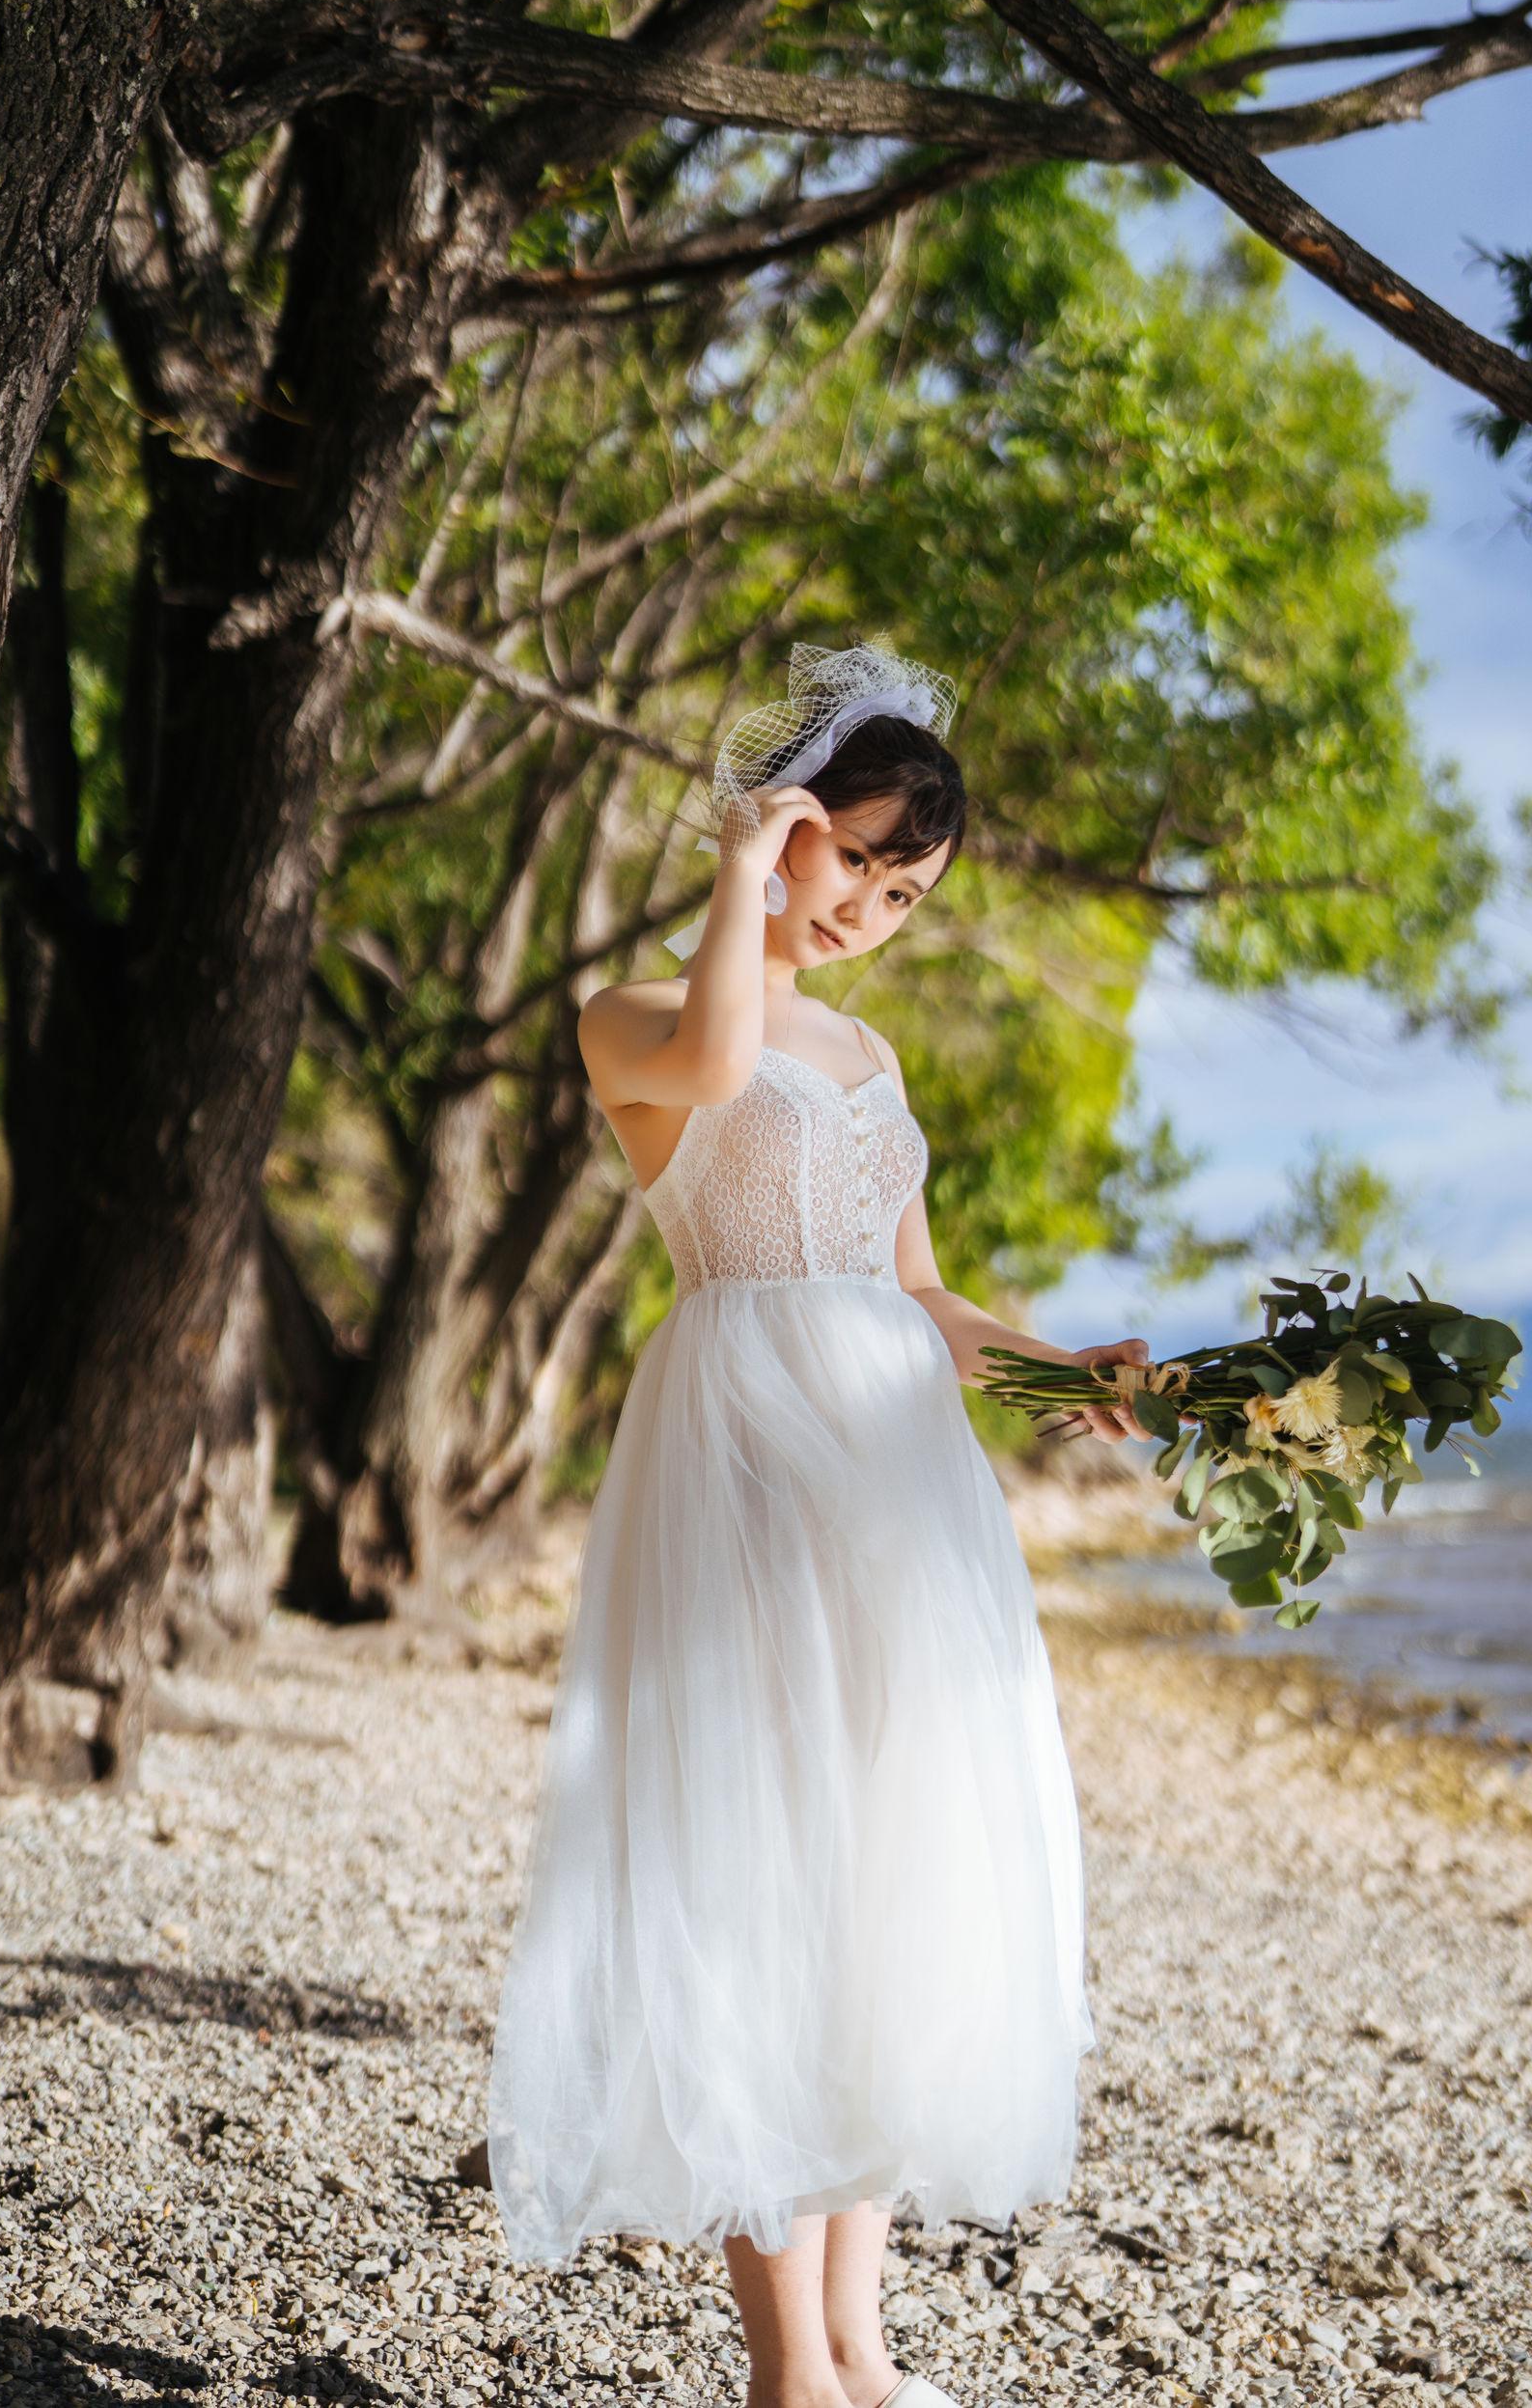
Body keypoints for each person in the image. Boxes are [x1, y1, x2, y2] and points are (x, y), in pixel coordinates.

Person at [486, 642, 1154, 2408]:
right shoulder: (638, 1011)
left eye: (907, 885)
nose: (874, 903)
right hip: (749, 1468)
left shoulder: (868, 1052)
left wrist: (1069, 1373)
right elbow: (715, 1067)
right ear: (784, 819)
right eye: (854, 853)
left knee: (876, 1896)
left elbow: (923, 1297)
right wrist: (737, 862)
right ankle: (789, 2373)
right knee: (763, 1895)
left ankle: (860, 2344)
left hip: (903, 1493)